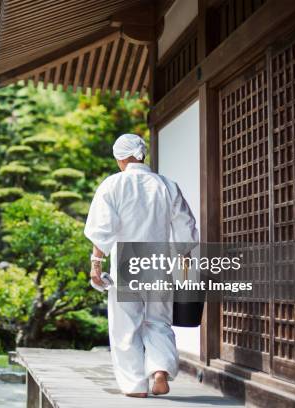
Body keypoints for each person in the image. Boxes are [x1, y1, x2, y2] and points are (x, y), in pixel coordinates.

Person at [84, 133, 198, 398]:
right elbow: (185, 227)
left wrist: (96, 264)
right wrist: (185, 265)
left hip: (126, 259)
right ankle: (160, 370)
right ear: (141, 155)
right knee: (158, 321)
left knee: (126, 325)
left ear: (121, 158)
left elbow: (103, 229)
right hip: (160, 260)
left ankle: (135, 385)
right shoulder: (167, 185)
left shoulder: (112, 185)